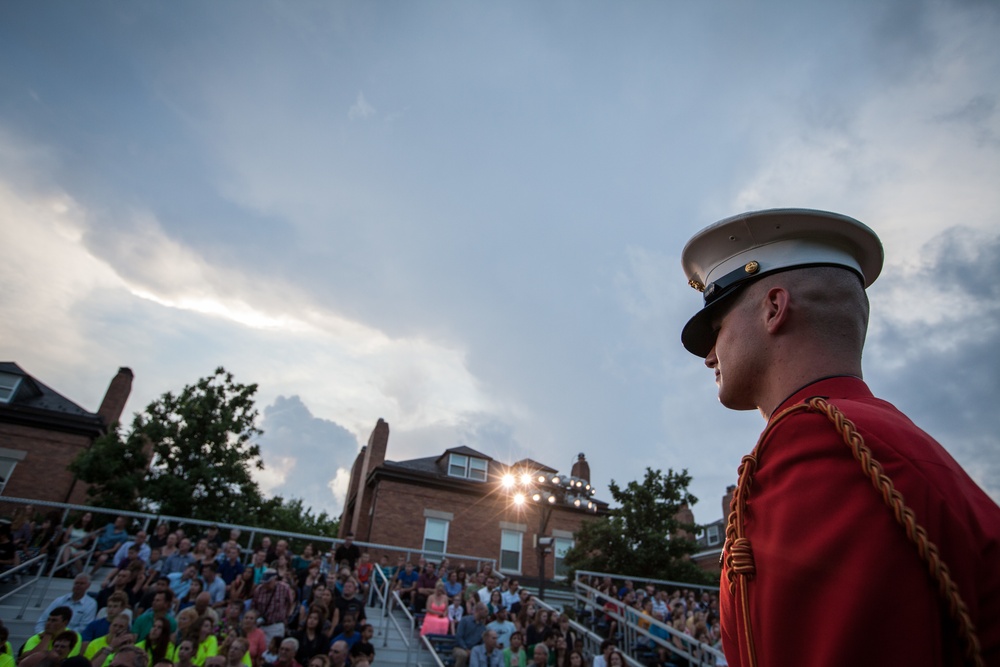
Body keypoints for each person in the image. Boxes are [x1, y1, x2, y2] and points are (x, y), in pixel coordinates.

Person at [678, 208, 1000, 666]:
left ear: (774, 308)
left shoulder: (818, 443)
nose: (709, 354)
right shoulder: (884, 438)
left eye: (718, 325)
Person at [453, 602, 488, 667]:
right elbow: (459, 636)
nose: (487, 613)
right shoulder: (465, 620)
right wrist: (466, 649)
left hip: (474, 650)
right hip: (460, 648)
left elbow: (482, 643)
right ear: (479, 610)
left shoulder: (483, 628)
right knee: (462, 655)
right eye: (486, 611)